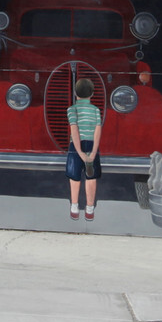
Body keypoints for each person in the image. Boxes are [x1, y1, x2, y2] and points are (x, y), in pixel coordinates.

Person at [64, 77, 103, 220]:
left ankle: (74, 207)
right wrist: (92, 153)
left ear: (75, 93)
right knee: (91, 177)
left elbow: (74, 130)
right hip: (92, 144)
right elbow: (98, 130)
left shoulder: (71, 109)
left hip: (76, 145)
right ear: (92, 94)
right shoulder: (96, 110)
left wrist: (79, 151)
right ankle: (90, 209)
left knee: (74, 177)